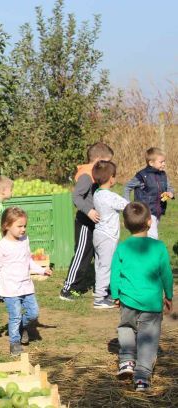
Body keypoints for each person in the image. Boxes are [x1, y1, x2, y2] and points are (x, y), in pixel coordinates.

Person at [111, 202, 173, 392]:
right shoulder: (159, 247)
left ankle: (127, 361)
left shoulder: (122, 247)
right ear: (149, 222)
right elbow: (166, 274)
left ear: (125, 224)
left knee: (126, 327)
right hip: (152, 303)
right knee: (148, 337)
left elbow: (115, 273)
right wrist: (169, 295)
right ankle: (142, 378)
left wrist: (115, 294)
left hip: (128, 300)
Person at [0, 207, 52, 356]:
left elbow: (28, 260)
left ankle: (22, 327)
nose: (23, 229)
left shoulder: (25, 240)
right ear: (6, 226)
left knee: (33, 313)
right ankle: (14, 342)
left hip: (26, 286)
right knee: (15, 316)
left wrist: (41, 270)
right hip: (10, 289)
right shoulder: (1, 246)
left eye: (25, 226)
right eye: (19, 226)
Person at [60, 142, 114, 301]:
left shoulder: (97, 174)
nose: (109, 166)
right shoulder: (86, 175)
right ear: (97, 159)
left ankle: (102, 287)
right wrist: (89, 211)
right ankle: (68, 288)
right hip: (85, 223)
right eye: (107, 162)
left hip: (97, 223)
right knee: (82, 254)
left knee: (100, 255)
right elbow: (76, 196)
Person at [91, 161, 129, 309]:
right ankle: (100, 299)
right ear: (111, 178)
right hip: (108, 236)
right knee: (106, 267)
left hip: (98, 234)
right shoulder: (110, 196)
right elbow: (127, 205)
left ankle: (101, 292)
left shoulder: (97, 193)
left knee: (100, 265)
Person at [123, 147, 174, 240]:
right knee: (153, 237)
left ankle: (139, 247)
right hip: (145, 212)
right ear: (151, 163)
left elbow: (170, 188)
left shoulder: (163, 175)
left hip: (158, 211)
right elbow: (127, 187)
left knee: (144, 235)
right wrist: (127, 204)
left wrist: (170, 193)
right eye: (161, 162)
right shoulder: (142, 176)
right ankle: (153, 248)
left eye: (164, 161)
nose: (164, 164)